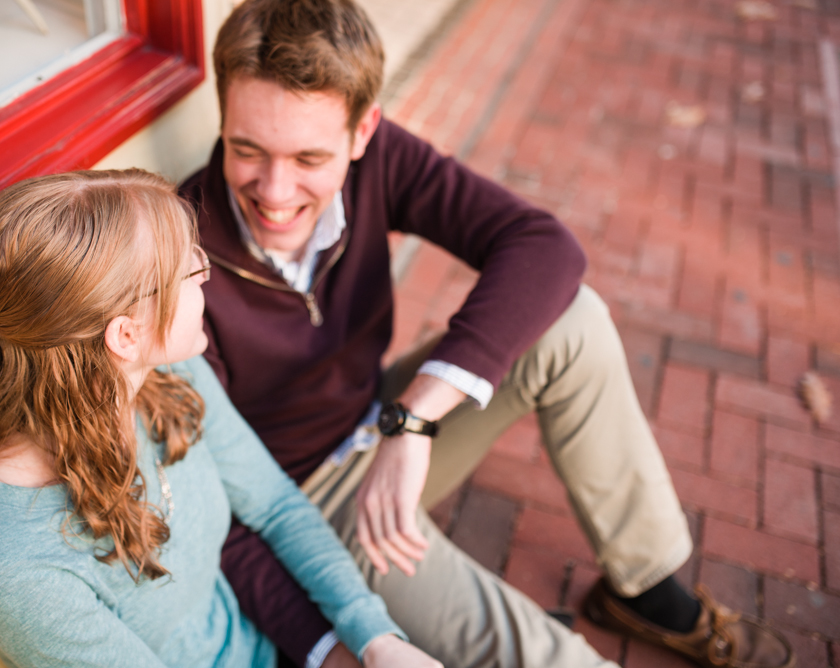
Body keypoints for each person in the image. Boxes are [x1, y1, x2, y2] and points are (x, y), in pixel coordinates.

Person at [180, 1, 796, 668]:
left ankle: (647, 593)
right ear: (223, 120)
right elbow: (216, 513)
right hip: (301, 505)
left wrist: (411, 419)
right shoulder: (176, 258)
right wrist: (328, 647)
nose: (274, 191)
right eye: (246, 149)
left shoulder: (381, 160)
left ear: (363, 133)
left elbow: (543, 246)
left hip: (379, 418)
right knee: (543, 655)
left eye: (308, 157)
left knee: (575, 320)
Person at [0, 169, 442, 668]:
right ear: (126, 335)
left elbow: (277, 508)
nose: (205, 280)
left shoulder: (169, 375)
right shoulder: (3, 558)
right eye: (190, 271)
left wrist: (373, 637)